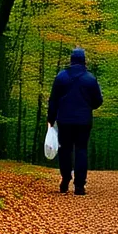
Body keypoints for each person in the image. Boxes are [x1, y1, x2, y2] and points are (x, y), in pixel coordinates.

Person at [47, 47, 103, 195]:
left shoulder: (61, 77)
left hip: (64, 119)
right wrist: (88, 106)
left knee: (65, 149)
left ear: (71, 60)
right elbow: (98, 101)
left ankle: (65, 178)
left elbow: (53, 100)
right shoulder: (90, 79)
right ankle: (79, 185)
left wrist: (51, 119)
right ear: (84, 61)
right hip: (84, 120)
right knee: (81, 150)